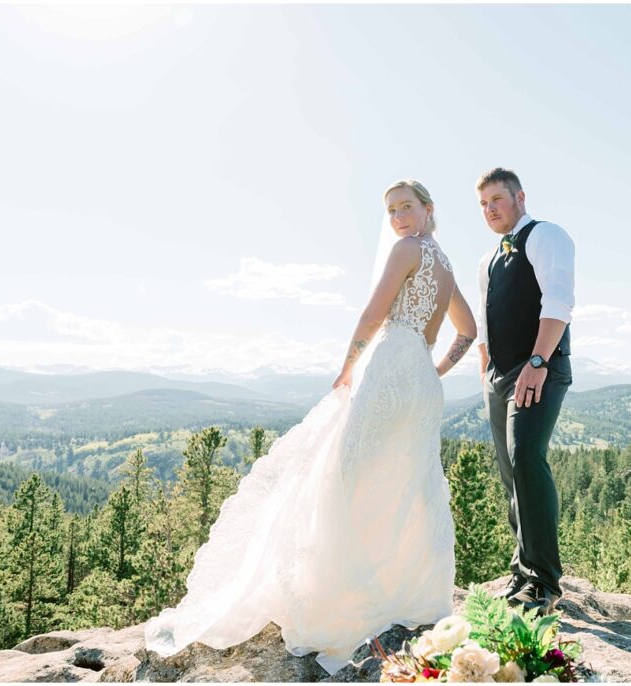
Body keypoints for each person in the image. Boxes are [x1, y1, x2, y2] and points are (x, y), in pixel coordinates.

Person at [144, 180, 477, 675]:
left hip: (388, 368)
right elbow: (467, 331)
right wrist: (434, 371)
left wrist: (348, 365)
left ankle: (338, 597)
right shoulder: (446, 263)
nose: (398, 217)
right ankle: (402, 591)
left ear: (428, 209)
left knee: (349, 473)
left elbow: (372, 314)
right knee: (407, 483)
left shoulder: (408, 250)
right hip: (421, 381)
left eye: (407, 206)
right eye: (390, 210)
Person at [476, 167, 574, 615]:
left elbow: (558, 301)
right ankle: (522, 568)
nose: (490, 209)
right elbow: (486, 321)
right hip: (498, 376)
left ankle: (544, 582)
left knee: (527, 459)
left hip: (537, 368)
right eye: (483, 204)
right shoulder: (489, 259)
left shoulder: (545, 235)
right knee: (509, 472)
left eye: (497, 199)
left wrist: (537, 362)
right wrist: (487, 372)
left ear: (519, 197)